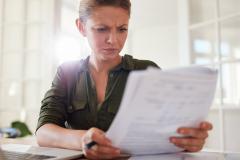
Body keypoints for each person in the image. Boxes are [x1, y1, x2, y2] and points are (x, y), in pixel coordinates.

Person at [36, 0, 213, 159]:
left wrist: (188, 140)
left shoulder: (147, 70)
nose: (113, 40)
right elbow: (43, 132)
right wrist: (83, 139)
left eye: (122, 29)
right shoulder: (67, 72)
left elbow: (171, 131)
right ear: (81, 27)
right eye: (101, 29)